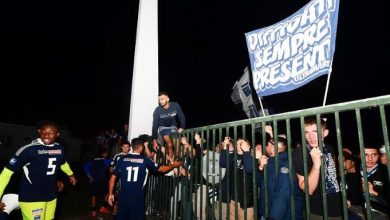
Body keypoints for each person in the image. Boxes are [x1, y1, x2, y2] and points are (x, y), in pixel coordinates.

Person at [0, 121, 77, 220]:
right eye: (44, 132)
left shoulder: (60, 149)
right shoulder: (28, 150)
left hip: (51, 195)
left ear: (57, 134)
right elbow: (5, 174)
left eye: (51, 133)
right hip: (32, 197)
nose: (46, 135)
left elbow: (62, 163)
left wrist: (70, 174)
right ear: (39, 132)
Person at [107, 138, 181, 220]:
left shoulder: (122, 159)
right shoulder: (145, 160)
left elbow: (112, 178)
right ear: (141, 147)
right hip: (137, 197)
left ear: (132, 147)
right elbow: (162, 169)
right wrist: (174, 165)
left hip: (123, 196)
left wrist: (110, 194)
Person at [292, 116, 342, 219]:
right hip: (317, 212)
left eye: (315, 131)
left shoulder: (330, 148)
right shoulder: (300, 153)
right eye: (307, 132)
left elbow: (333, 177)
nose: (311, 136)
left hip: (338, 208)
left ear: (325, 132)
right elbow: (308, 189)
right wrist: (316, 165)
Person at [243, 136, 303, 220]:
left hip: (282, 216)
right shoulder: (271, 162)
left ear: (273, 147)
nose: (266, 147)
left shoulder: (285, 165)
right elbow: (257, 183)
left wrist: (273, 217)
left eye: (267, 145)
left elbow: (283, 195)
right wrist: (260, 168)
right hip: (267, 212)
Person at [152, 91, 186, 160]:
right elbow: (154, 125)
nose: (160, 101)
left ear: (167, 99)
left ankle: (176, 160)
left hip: (173, 126)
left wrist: (182, 127)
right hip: (163, 127)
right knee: (170, 144)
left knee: (177, 144)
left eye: (162, 99)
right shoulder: (157, 110)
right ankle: (171, 161)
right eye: (159, 99)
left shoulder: (175, 105)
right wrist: (154, 139)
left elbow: (181, 116)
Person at [83, 146, 112, 217]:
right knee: (107, 193)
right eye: (107, 153)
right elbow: (114, 163)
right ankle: (103, 207)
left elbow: (85, 167)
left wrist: (90, 176)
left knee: (93, 195)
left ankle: (93, 211)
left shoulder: (92, 160)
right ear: (104, 153)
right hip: (103, 180)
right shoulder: (106, 160)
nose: (107, 154)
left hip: (94, 180)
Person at [361, 145, 389, 216]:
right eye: (366, 155)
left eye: (374, 155)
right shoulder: (354, 171)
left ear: (379, 156)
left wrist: (374, 193)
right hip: (360, 213)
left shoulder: (385, 172)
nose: (370, 159)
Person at [109, 140, 131, 219]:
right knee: (116, 195)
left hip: (127, 179)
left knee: (125, 196)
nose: (125, 148)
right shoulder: (117, 156)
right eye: (124, 146)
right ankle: (115, 211)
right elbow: (111, 167)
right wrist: (114, 174)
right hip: (117, 178)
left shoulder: (131, 157)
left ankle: (123, 211)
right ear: (121, 147)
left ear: (129, 148)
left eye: (127, 147)